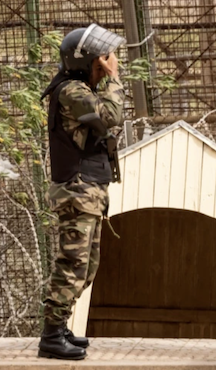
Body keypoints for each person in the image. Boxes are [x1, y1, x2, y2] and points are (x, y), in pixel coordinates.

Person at [38, 24, 126, 360]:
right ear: (85, 63)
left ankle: (59, 328)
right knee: (72, 263)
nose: (104, 66)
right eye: (99, 62)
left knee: (87, 266)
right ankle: (50, 335)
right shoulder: (71, 91)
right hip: (76, 190)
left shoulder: (78, 87)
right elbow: (111, 115)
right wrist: (115, 77)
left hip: (88, 190)